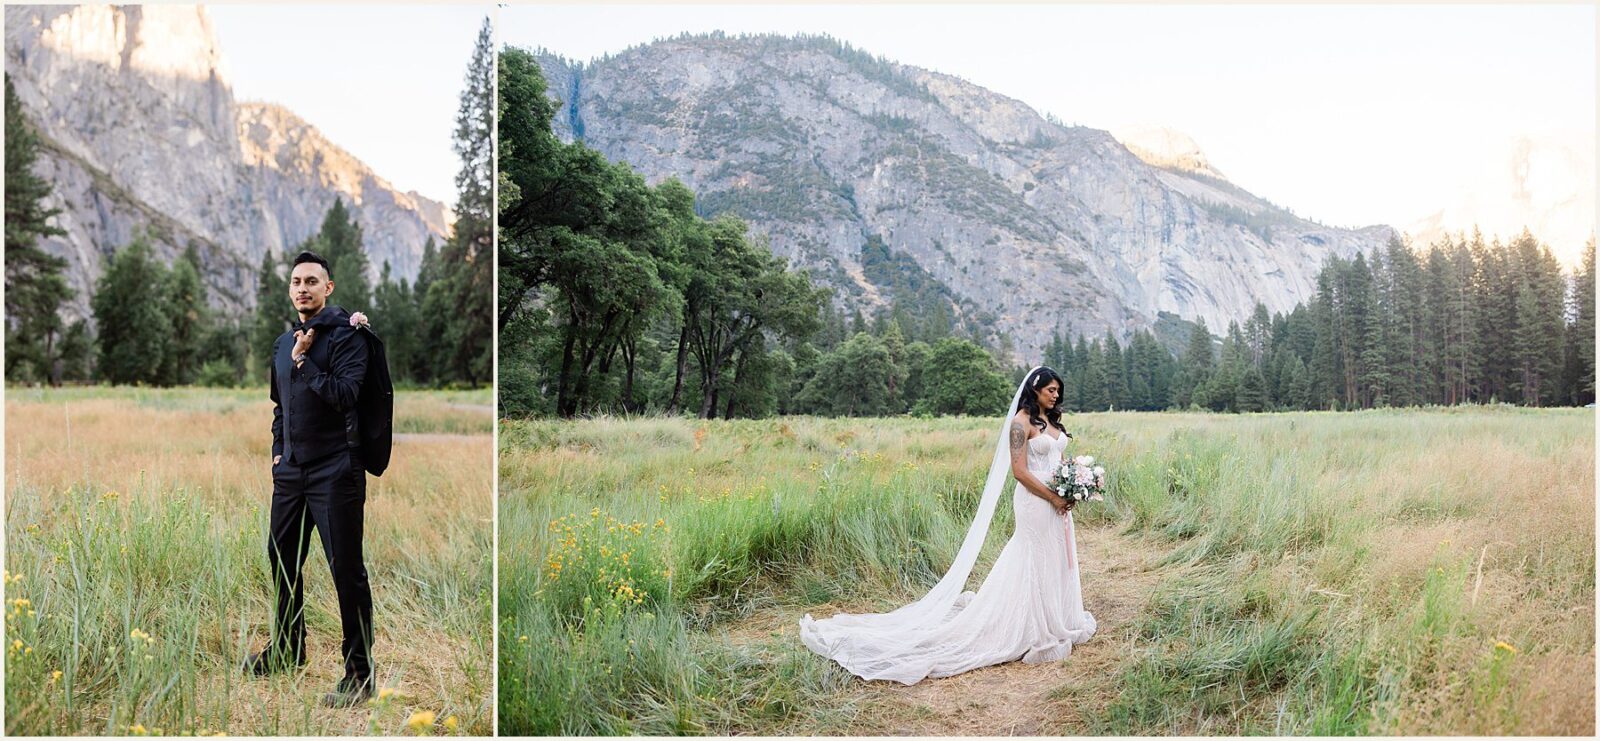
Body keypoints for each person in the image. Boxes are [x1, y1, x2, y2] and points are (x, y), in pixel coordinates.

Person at [800, 366, 1097, 684]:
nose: (1055, 395)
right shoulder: (1019, 424)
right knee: (1033, 556)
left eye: (1057, 391)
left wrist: (1073, 483)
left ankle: (1060, 617)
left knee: (1055, 555)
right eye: (1050, 390)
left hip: (1057, 499)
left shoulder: (1052, 421)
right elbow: (1020, 472)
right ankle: (1035, 626)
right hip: (1035, 501)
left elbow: (1057, 459)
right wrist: (1052, 497)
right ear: (1034, 389)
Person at [243, 250, 377, 707]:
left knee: (346, 570)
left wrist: (305, 362)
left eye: (312, 281)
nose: (303, 288)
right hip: (292, 473)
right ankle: (287, 650)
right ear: (290, 289)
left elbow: (345, 396)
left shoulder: (347, 338)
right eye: (297, 281)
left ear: (328, 288)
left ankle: (359, 675)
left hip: (337, 471)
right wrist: (279, 452)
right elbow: (280, 407)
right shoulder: (283, 343)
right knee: (282, 562)